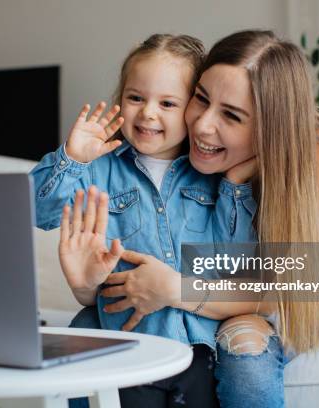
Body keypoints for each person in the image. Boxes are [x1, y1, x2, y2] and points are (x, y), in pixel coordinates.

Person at [60, 30, 319, 407]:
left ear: (271, 128)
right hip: (213, 289)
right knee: (87, 327)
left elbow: (298, 289)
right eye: (201, 98)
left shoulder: (313, 159)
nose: (202, 125)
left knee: (244, 353)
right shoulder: (178, 141)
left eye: (231, 115)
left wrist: (177, 289)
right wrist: (90, 287)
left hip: (286, 307)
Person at [31, 34, 233, 407]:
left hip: (200, 348)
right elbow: (35, 211)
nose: (148, 113)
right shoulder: (99, 168)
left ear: (192, 109)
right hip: (128, 343)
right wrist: (72, 158)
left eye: (168, 103)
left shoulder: (212, 172)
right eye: (135, 97)